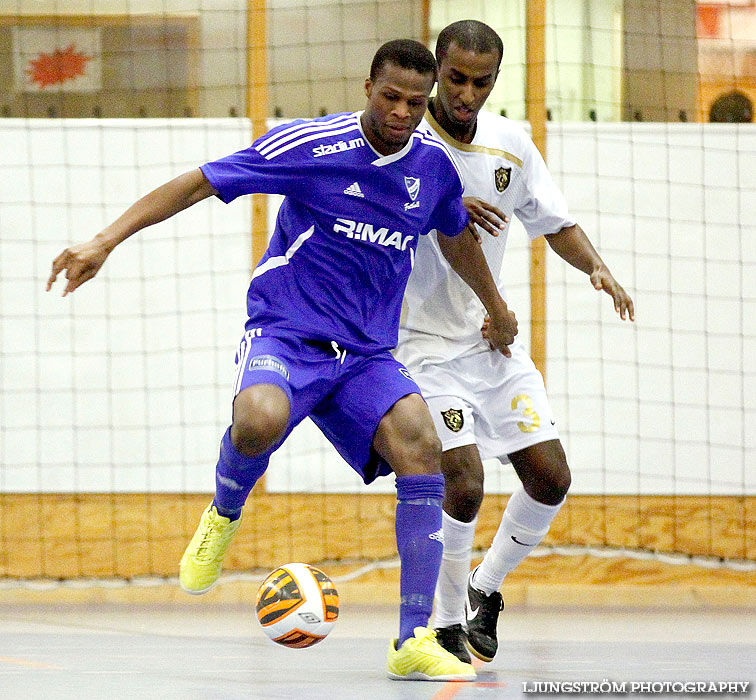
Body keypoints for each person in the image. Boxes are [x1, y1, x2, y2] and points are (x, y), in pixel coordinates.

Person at [46, 39, 519, 682]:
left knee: (421, 444)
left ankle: (412, 640)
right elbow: (197, 182)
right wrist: (104, 241)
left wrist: (495, 304)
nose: (403, 112)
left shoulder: (433, 169)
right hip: (287, 332)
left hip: (366, 353)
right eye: (391, 97)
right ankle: (224, 512)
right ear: (366, 86)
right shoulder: (311, 148)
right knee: (259, 420)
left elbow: (453, 232)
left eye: (415, 101)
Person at [395, 21, 635, 664]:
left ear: (494, 80)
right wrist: (441, 204)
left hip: (489, 341)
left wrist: (596, 267)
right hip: (417, 346)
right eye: (455, 78)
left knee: (551, 477)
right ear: (436, 70)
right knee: (464, 479)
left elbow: (554, 221)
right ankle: (443, 627)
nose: (467, 93)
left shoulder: (511, 144)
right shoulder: (405, 140)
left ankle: (485, 589)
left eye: (481, 81)